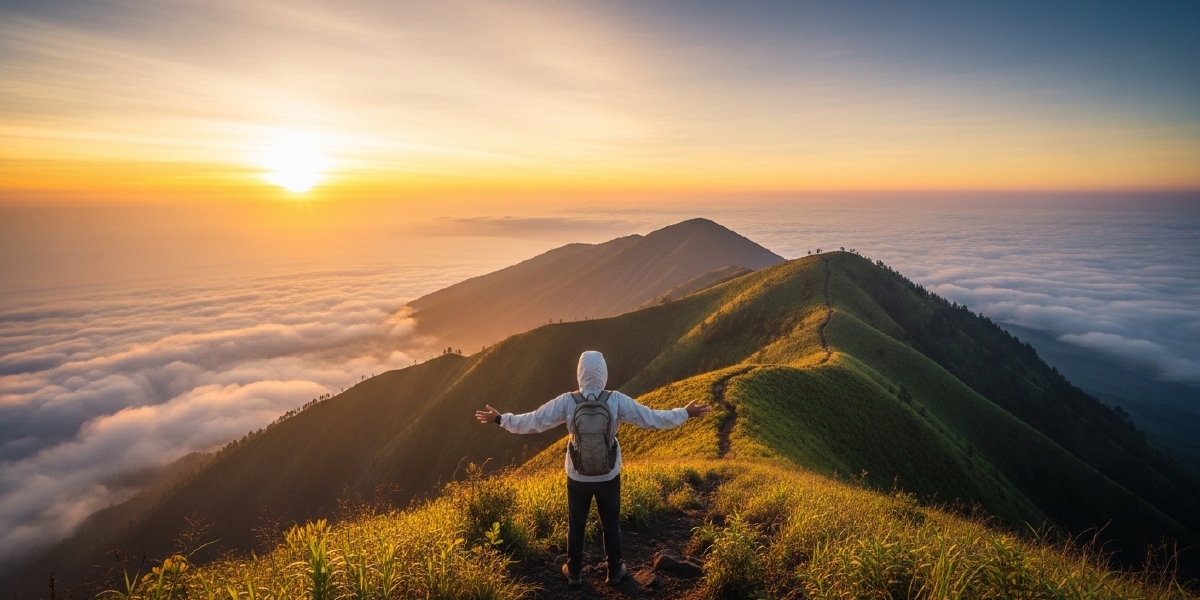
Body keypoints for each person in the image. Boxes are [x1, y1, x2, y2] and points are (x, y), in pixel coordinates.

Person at [474, 350, 711, 587]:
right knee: (611, 523)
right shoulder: (616, 400)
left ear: (580, 373)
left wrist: (500, 419)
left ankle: (574, 572)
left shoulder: (568, 401)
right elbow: (651, 418)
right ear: (603, 373)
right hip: (608, 475)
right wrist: (685, 413)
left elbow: (534, 421)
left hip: (577, 476)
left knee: (576, 523)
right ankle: (615, 571)